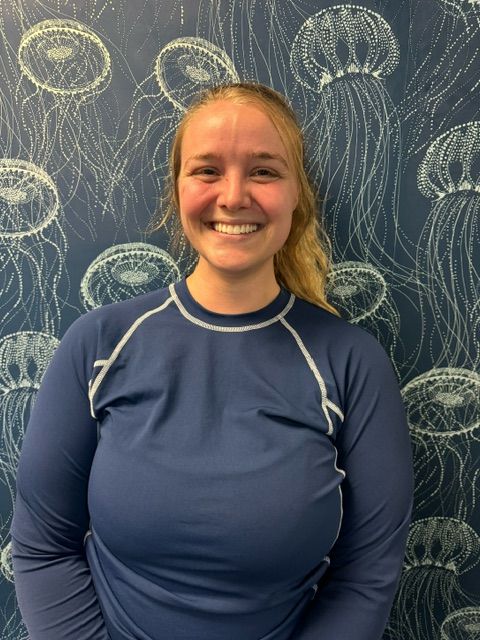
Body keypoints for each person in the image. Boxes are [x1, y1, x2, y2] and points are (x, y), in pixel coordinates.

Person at [11, 82, 413, 640]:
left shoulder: (351, 362)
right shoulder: (97, 344)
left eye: (264, 171)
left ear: (297, 195)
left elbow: (367, 577)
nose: (233, 195)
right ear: (178, 190)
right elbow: (43, 551)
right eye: (206, 170)